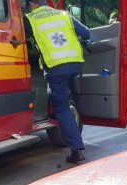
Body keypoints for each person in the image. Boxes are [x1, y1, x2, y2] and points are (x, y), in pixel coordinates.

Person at [24, 0, 90, 164]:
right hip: (75, 63)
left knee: (61, 108)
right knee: (66, 100)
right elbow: (86, 34)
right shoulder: (63, 14)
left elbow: (14, 37)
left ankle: (76, 150)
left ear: (32, 5)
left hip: (56, 67)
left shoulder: (30, 18)